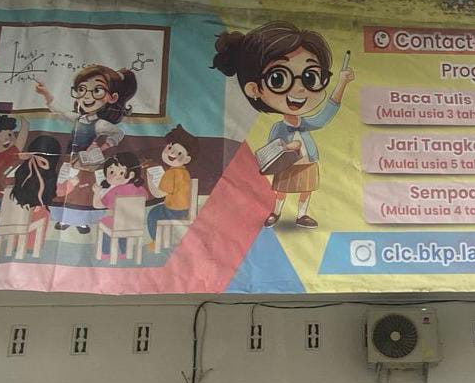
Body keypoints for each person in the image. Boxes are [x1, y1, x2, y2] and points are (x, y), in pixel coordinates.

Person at [213, 22, 354, 229]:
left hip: (308, 163)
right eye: (278, 79)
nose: (299, 90)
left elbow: (325, 115)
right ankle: (276, 212)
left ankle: (302, 215)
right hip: (287, 165)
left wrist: (342, 83)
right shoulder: (279, 128)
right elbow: (273, 147)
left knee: (307, 190)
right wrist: (287, 148)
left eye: (310, 77)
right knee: (281, 191)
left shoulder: (306, 124)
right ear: (254, 89)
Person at [33, 63, 137, 234]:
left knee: (82, 191)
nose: (87, 96)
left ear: (112, 97)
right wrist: (45, 93)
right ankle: (64, 218)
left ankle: (83, 222)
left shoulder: (101, 123)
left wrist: (103, 147)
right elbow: (59, 110)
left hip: (87, 164)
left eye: (96, 91)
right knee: (63, 187)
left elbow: (118, 133)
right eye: (82, 89)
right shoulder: (79, 118)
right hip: (70, 159)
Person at [146, 126, 198, 235]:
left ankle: (157, 241)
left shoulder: (171, 173)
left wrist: (150, 180)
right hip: (185, 209)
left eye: (179, 153)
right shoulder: (185, 172)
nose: (172, 154)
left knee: (153, 214)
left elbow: (159, 194)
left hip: (173, 210)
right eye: (170, 149)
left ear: (187, 159)